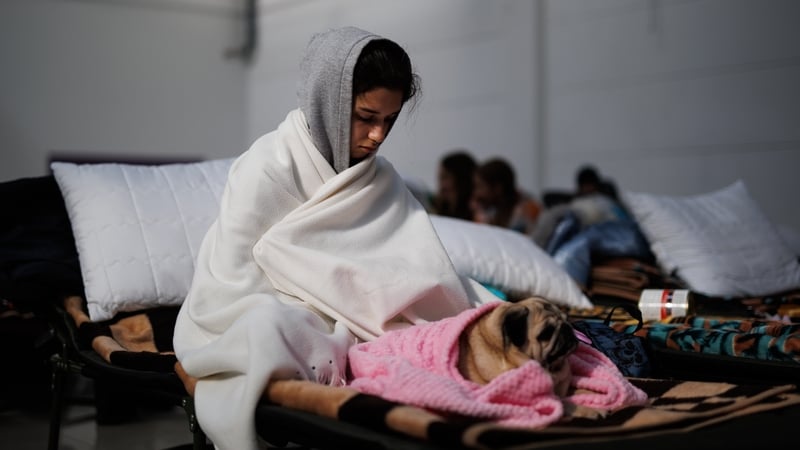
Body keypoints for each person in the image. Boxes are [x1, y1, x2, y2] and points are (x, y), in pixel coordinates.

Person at [172, 26, 499, 450]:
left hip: (354, 321)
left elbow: (415, 267)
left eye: (389, 121)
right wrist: (331, 310)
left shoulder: (380, 179)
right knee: (268, 327)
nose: (378, 135)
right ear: (329, 102)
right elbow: (231, 285)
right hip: (269, 311)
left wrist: (363, 308)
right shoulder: (266, 168)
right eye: (366, 117)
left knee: (477, 313)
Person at [470, 157, 542, 235]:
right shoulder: (491, 210)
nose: (476, 193)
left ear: (498, 188)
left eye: (480, 187)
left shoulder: (526, 211)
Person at [431, 149, 477, 221]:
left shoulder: (479, 217)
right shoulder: (437, 213)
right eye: (440, 179)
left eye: (445, 177)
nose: (442, 186)